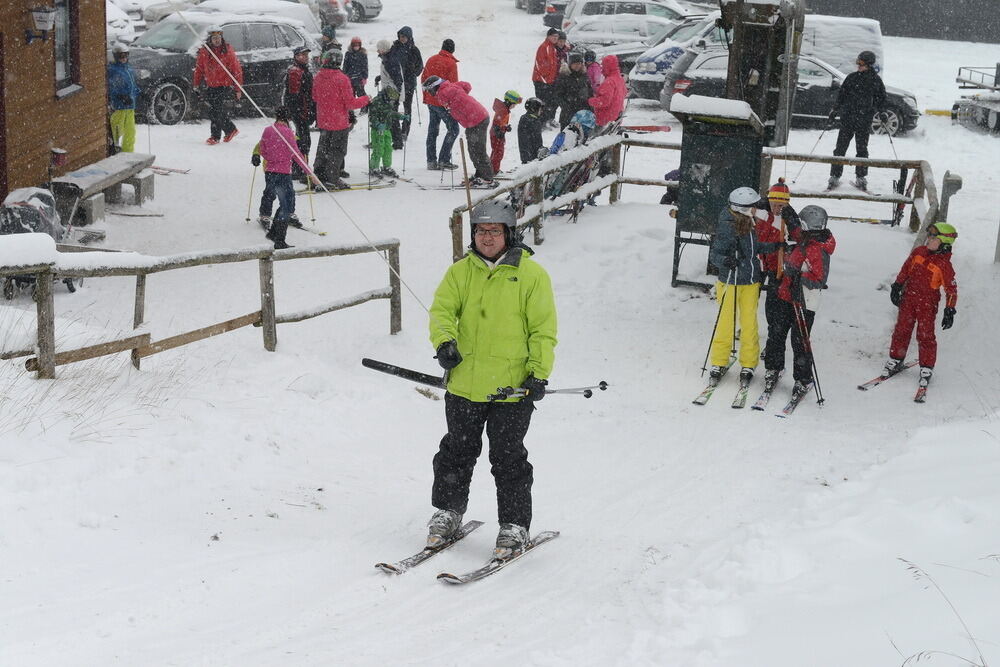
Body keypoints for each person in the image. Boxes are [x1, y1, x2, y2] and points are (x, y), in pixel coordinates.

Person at [426, 199, 557, 560]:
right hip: (465, 385)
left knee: (508, 457)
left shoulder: (531, 276)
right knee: (456, 451)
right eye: (481, 231)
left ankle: (514, 524)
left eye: (494, 231)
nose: (487, 237)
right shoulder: (460, 273)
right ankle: (449, 511)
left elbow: (543, 330)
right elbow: (442, 312)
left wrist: (538, 373)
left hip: (511, 390)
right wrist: (444, 343)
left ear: (508, 234)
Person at [706, 187, 780, 385]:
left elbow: (754, 248)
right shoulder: (727, 225)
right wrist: (726, 260)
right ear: (743, 208)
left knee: (749, 324)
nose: (756, 209)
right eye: (753, 206)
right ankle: (719, 361)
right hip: (730, 281)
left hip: (750, 281)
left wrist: (776, 247)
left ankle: (748, 363)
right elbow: (715, 255)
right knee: (725, 322)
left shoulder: (750, 223)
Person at [763, 205, 836, 395]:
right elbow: (795, 230)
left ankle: (804, 379)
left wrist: (799, 278)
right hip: (786, 296)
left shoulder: (819, 249)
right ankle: (774, 367)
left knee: (799, 339)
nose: (798, 231)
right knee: (777, 333)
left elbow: (819, 278)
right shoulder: (806, 238)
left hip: (804, 302)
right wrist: (787, 211)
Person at [884, 223, 958, 388]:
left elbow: (951, 289)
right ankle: (896, 358)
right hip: (909, 298)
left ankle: (926, 367)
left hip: (928, 303)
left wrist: (950, 309)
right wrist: (897, 285)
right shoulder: (919, 253)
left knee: (925, 335)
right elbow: (905, 269)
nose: (929, 239)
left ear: (944, 243)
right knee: (901, 329)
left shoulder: (945, 265)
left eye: (933, 238)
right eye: (929, 236)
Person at [251, 107, 319, 250]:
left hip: (269, 171)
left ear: (276, 116)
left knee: (272, 196)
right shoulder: (288, 133)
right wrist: (310, 173)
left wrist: (271, 159)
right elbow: (296, 155)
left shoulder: (268, 130)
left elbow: (262, 149)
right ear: (288, 119)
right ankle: (279, 240)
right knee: (286, 205)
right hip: (283, 174)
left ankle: (274, 232)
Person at [755, 178, 796, 391]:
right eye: (776, 204)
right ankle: (748, 339)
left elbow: (799, 237)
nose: (779, 207)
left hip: (776, 268)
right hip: (757, 262)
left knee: (774, 310)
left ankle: (771, 345)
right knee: (749, 302)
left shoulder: (788, 215)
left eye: (783, 204)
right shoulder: (758, 209)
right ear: (769, 199)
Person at [827, 50, 886, 191]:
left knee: (862, 149)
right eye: (857, 63)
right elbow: (841, 96)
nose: (858, 66)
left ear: (869, 65)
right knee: (840, 148)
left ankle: (861, 177)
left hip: (864, 120)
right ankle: (835, 176)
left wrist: (882, 112)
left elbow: (881, 98)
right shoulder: (851, 78)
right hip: (847, 119)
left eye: (861, 63)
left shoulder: (875, 80)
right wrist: (835, 109)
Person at [312, 49, 369, 189]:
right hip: (338, 121)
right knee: (337, 151)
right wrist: (366, 99)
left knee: (323, 149)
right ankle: (332, 179)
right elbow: (350, 103)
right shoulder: (342, 79)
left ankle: (319, 176)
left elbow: (314, 97)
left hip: (323, 120)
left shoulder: (318, 76)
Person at [423, 75, 494, 187]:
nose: (429, 93)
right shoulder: (451, 87)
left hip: (477, 120)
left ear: (434, 87)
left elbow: (447, 102)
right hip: (476, 119)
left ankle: (487, 178)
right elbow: (467, 85)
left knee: (478, 150)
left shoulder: (443, 93)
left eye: (429, 90)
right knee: (473, 150)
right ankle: (480, 175)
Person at [193, 25, 243, 145]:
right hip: (211, 85)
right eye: (214, 38)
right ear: (210, 39)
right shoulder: (205, 52)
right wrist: (196, 84)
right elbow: (199, 69)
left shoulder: (227, 51)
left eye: (219, 37)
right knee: (214, 111)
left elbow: (236, 70)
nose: (217, 40)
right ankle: (230, 130)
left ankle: (216, 136)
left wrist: (238, 88)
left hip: (224, 85)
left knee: (216, 111)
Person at [421, 38, 461, 171]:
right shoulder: (451, 63)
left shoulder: (431, 59)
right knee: (453, 129)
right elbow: (453, 85)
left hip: (431, 101)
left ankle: (431, 161)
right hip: (442, 103)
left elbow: (423, 79)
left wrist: (427, 97)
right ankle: (444, 160)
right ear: (452, 50)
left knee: (433, 130)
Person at [385, 26, 423, 145]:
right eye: (400, 36)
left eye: (404, 37)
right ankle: (394, 130)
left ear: (409, 37)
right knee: (393, 107)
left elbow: (420, 66)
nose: (402, 39)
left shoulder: (414, 50)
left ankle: (405, 131)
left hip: (409, 84)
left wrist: (414, 73)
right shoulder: (394, 48)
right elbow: (388, 62)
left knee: (407, 108)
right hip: (396, 82)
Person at [282, 45, 315, 183]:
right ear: (296, 57)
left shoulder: (303, 69)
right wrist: (299, 111)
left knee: (302, 139)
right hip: (300, 111)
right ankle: (299, 169)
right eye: (302, 55)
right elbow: (294, 95)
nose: (305, 57)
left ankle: (300, 167)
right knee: (303, 141)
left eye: (306, 55)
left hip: (304, 110)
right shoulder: (295, 71)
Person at [107, 43, 141, 153]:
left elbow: (132, 86)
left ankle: (128, 152)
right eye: (121, 56)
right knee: (117, 130)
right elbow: (111, 87)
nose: (124, 58)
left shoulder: (128, 69)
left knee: (130, 132)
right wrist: (121, 96)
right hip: (119, 107)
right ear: (116, 57)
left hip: (130, 107)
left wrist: (139, 93)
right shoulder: (113, 70)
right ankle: (113, 150)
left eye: (126, 56)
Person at [367, 86, 407, 178]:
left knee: (388, 148)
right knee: (379, 149)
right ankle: (374, 167)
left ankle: (386, 166)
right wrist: (377, 124)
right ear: (387, 96)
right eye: (391, 99)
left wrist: (400, 116)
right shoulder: (376, 102)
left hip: (387, 129)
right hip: (377, 130)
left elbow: (390, 113)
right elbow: (372, 116)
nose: (392, 101)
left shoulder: (388, 102)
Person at [553, 51, 593, 129]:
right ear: (570, 64)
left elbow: (589, 91)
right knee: (567, 136)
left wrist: (590, 106)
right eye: (575, 63)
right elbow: (557, 95)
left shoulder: (584, 76)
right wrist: (566, 107)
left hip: (583, 112)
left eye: (579, 63)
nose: (577, 66)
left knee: (581, 137)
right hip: (568, 114)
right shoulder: (564, 77)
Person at [587, 55, 626, 131]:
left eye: (603, 66)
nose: (602, 69)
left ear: (607, 67)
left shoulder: (609, 82)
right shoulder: (619, 79)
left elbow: (604, 101)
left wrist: (590, 100)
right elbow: (624, 93)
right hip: (616, 115)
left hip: (605, 118)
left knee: (594, 140)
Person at [531, 29, 560, 126]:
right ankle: (541, 122)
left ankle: (548, 119)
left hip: (550, 81)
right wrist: (546, 79)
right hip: (541, 81)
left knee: (552, 102)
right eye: (553, 36)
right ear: (548, 36)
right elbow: (541, 65)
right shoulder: (544, 47)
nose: (555, 38)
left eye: (557, 36)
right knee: (542, 103)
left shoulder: (553, 48)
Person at [490, 90, 522, 174]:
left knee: (497, 152)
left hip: (498, 133)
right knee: (498, 153)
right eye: (514, 104)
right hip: (497, 135)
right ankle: (494, 170)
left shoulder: (504, 109)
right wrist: (499, 131)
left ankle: (492, 169)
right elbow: (497, 122)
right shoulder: (503, 110)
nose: (514, 106)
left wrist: (505, 127)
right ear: (509, 102)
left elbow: (501, 122)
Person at [518, 97, 545, 164]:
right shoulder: (527, 120)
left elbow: (537, 138)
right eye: (540, 109)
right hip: (529, 157)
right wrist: (528, 157)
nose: (542, 111)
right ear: (533, 109)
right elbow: (526, 141)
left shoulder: (534, 119)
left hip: (535, 155)